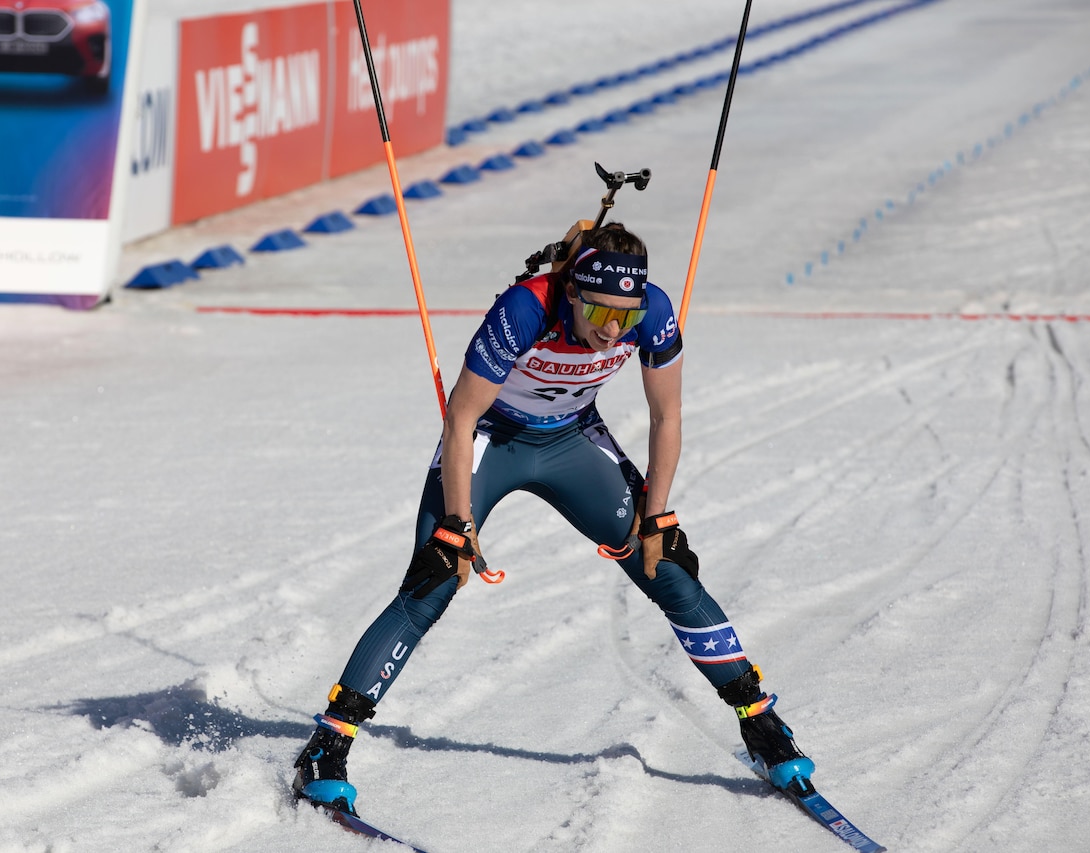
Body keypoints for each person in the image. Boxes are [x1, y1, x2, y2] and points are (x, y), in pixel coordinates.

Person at [292, 222, 813, 815]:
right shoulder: (526, 308)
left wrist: (658, 514)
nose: (611, 330)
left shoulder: (654, 311)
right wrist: (458, 525)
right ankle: (327, 744)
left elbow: (667, 416)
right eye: (599, 313)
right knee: (434, 578)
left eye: (625, 317)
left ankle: (759, 722)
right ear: (573, 294)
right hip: (491, 438)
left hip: (571, 441)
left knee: (664, 565)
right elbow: (461, 417)